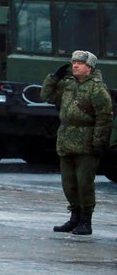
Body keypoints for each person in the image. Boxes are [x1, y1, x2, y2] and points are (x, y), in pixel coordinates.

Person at [40, 50, 113, 235]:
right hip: (66, 140)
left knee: (84, 183)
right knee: (69, 183)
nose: (75, 65)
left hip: (86, 142)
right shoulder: (67, 85)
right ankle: (74, 217)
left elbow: (104, 118)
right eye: (73, 62)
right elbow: (47, 96)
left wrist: (98, 142)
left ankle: (86, 220)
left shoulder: (97, 89)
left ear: (89, 68)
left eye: (79, 63)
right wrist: (53, 78)